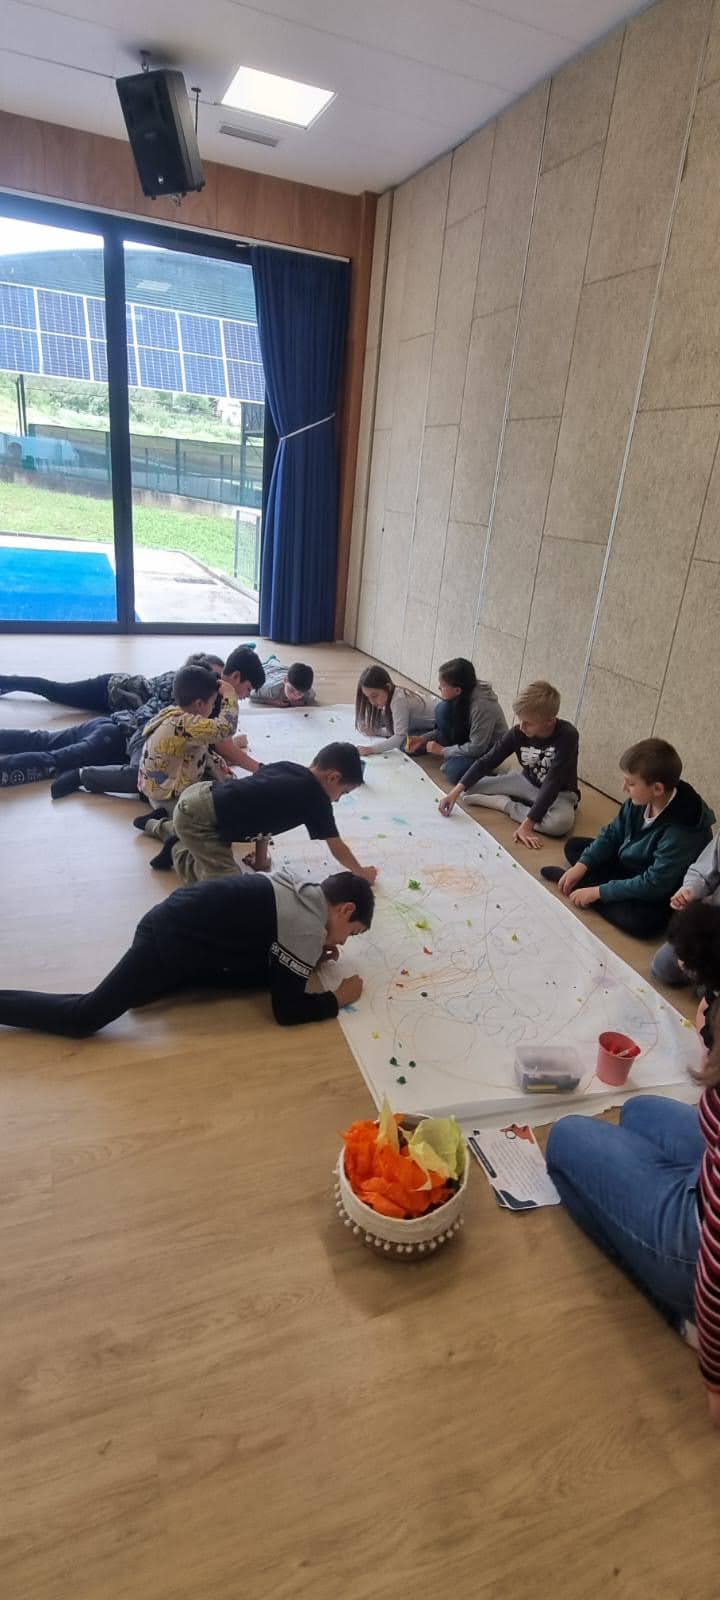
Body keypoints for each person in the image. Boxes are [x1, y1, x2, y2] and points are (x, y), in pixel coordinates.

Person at [546, 900, 720, 1431]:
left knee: (566, 1138)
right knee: (639, 1109)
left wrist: (714, 1379)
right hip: (707, 1177)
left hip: (703, 1247)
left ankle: (679, 1315)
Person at [0, 868, 374, 1036]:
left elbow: (272, 939)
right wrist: (337, 998)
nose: (341, 942)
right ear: (345, 910)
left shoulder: (303, 889)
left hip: (178, 927)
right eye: (351, 933)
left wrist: (307, 959)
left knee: (139, 999)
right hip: (168, 940)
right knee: (83, 1018)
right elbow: (287, 1012)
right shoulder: (308, 927)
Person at [539, 739, 714, 938]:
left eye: (630, 783)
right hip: (632, 862)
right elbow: (613, 833)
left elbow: (654, 884)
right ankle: (591, 885)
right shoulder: (642, 797)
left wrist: (598, 892)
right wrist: (582, 865)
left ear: (657, 789)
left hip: (658, 886)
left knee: (642, 923)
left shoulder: (682, 832)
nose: (624, 788)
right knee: (575, 847)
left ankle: (588, 891)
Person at [135, 741, 379, 884]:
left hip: (200, 798)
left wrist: (261, 861)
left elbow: (264, 814)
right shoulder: (316, 799)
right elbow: (337, 846)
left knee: (189, 827)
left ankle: (156, 824)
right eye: (343, 793)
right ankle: (178, 850)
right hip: (202, 818)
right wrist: (361, 873)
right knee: (227, 885)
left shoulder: (290, 768)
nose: (338, 799)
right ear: (333, 777)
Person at [45, 647, 264, 799]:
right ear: (236, 677)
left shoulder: (210, 684)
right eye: (248, 689)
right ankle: (81, 776)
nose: (246, 697)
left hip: (160, 734)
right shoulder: (212, 691)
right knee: (142, 779)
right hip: (142, 733)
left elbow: (215, 743)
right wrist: (260, 770)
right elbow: (222, 738)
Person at [438, 680, 579, 847]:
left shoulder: (568, 736)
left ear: (549, 721)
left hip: (560, 793)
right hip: (526, 782)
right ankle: (525, 805)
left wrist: (527, 826)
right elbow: (487, 761)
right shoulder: (518, 732)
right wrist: (453, 793)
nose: (522, 727)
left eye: (528, 723)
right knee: (466, 789)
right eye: (520, 720)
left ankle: (503, 804)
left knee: (559, 823)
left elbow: (553, 782)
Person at [137, 665, 239, 808]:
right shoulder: (188, 725)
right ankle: (162, 820)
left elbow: (207, 755)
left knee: (218, 777)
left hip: (156, 791)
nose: (212, 708)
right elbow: (226, 728)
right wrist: (230, 695)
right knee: (223, 808)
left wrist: (230, 779)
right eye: (212, 703)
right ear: (199, 704)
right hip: (170, 800)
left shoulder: (172, 713)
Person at [0, 653, 224, 713]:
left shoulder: (185, 680)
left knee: (54, 691)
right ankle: (7, 682)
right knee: (54, 691)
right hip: (107, 690)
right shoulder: (178, 686)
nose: (218, 682)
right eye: (216, 676)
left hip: (113, 692)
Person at [405, 658, 507, 783]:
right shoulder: (463, 693)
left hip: (488, 749)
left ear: (457, 690)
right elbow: (447, 729)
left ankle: (485, 770)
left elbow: (477, 747)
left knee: (452, 771)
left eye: (443, 686)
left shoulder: (482, 707)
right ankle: (449, 754)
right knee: (442, 709)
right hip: (470, 737)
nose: (439, 687)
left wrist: (443, 751)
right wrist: (423, 739)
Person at [652, 834, 720, 987]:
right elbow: (703, 872)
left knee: (708, 990)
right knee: (663, 967)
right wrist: (691, 890)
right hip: (712, 923)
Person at [354, 664, 435, 755]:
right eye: (367, 697)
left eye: (374, 696)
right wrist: (368, 726)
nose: (372, 702)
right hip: (413, 723)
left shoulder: (399, 701)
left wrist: (370, 749)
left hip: (435, 726)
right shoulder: (391, 695)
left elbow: (399, 736)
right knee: (379, 720)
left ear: (388, 687)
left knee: (405, 745)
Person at [251, 660, 316, 707]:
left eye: (299, 694)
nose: (294, 696)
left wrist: (303, 702)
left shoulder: (308, 692)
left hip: (283, 670)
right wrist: (272, 702)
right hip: (268, 670)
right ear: (285, 680)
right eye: (291, 690)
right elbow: (251, 696)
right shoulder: (271, 689)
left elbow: (311, 698)